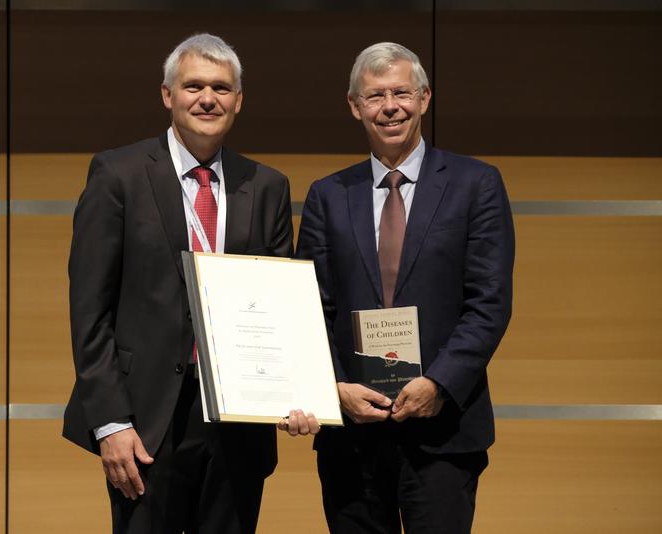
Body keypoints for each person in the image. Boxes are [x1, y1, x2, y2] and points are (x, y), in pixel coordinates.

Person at [63, 33, 317, 534]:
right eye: (194, 86)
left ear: (238, 101)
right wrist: (110, 423)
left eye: (221, 88)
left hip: (238, 421)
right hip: (145, 421)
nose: (208, 98)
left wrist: (296, 389)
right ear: (167, 95)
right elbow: (89, 310)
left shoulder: (266, 186)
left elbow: (280, 307)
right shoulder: (118, 174)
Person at [296, 42, 515, 533]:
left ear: (425, 98)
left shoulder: (475, 183)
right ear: (354, 106)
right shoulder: (328, 196)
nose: (390, 106)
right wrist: (333, 390)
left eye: (401, 93)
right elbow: (310, 309)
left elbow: (489, 303)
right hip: (351, 432)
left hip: (443, 431)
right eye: (374, 96)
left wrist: (439, 383)